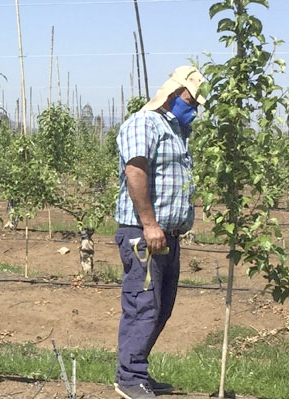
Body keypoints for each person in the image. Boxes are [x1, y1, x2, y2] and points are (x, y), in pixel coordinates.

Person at [113, 66, 205, 399]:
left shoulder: (178, 131)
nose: (194, 108)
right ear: (171, 93)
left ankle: (137, 371)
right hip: (143, 234)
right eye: (190, 100)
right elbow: (136, 170)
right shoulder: (144, 123)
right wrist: (150, 224)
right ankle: (128, 377)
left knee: (161, 307)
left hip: (167, 236)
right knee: (143, 305)